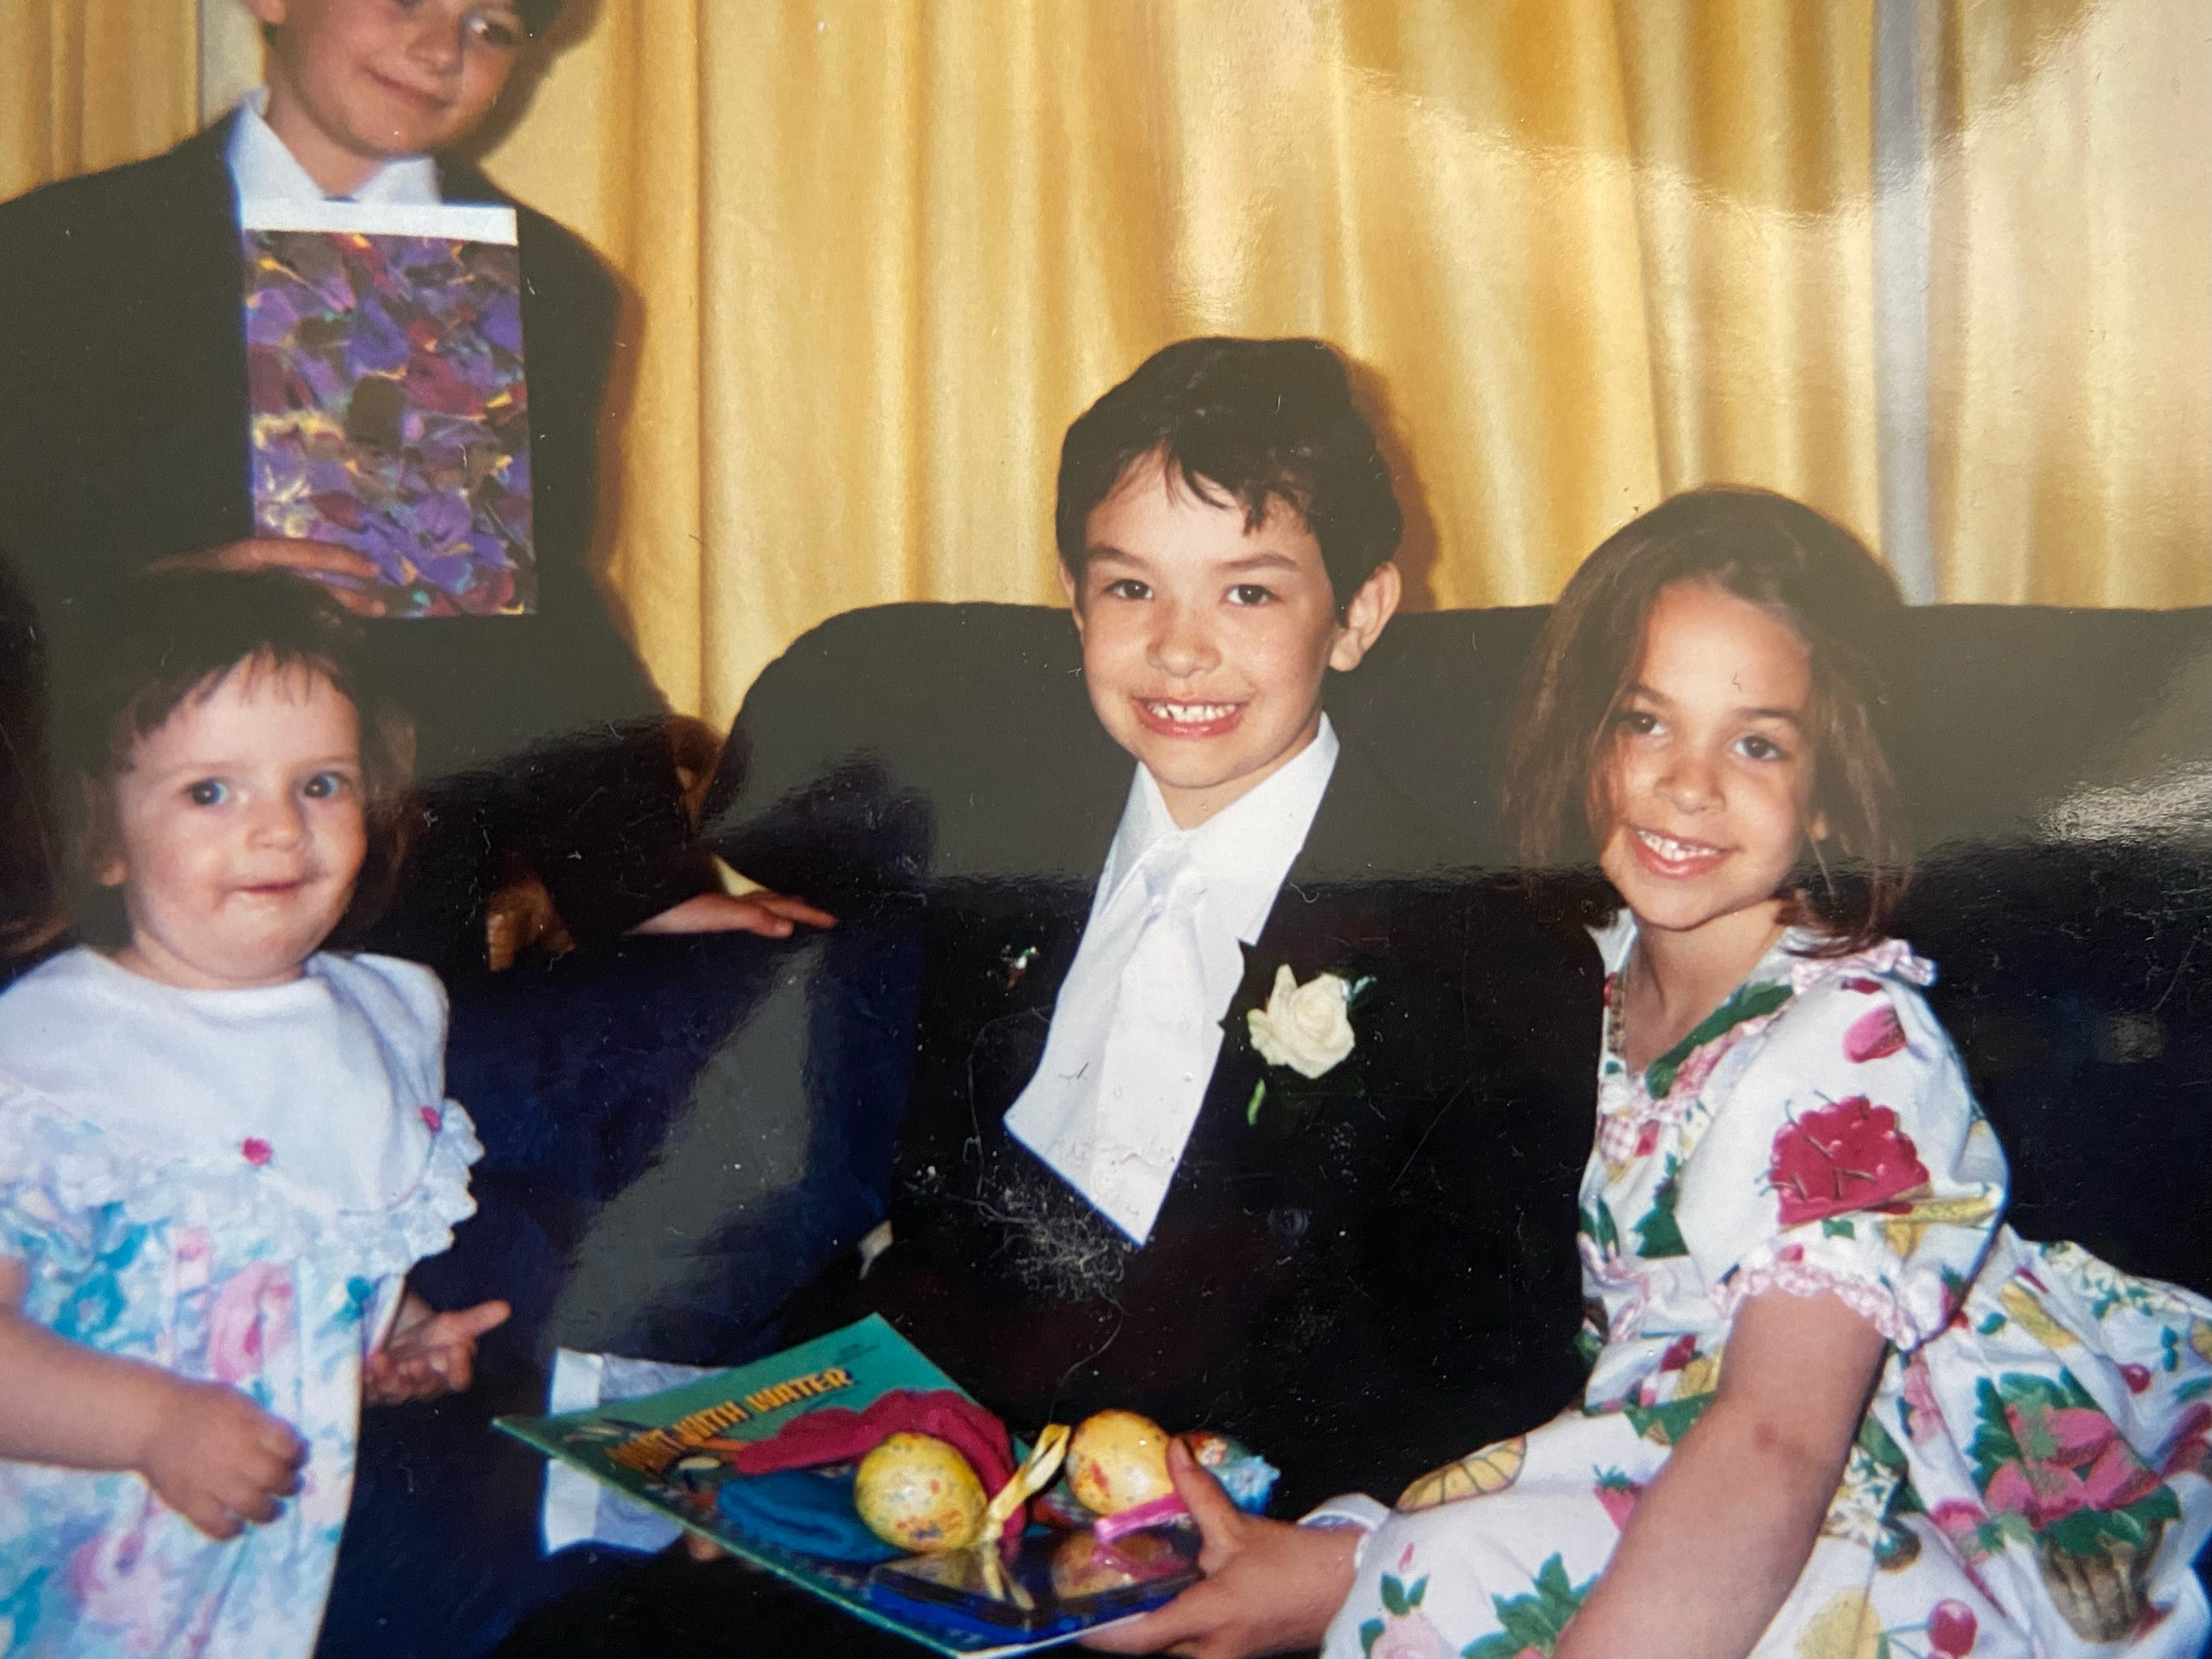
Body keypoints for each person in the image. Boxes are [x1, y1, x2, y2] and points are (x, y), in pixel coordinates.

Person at [496, 337, 1599, 1656]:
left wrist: (1337, 1558)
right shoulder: (1001, 858)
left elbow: (1496, 1361)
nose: (1178, 649)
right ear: (1075, 604)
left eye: (1249, 593)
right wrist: (772, 1459)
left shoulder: (1491, 949)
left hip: (1225, 1554)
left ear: (1358, 615)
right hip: (934, 1500)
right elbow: (929, 1234)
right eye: (1131, 587)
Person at [1110, 487, 2212, 1657]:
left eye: (1757, 743)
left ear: (1831, 792)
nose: (1690, 784)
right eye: (1646, 723)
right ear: (1586, 738)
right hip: (1676, 1434)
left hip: (1878, 1456)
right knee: (1427, 1562)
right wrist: (1347, 1543)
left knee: (1445, 1578)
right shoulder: (1575, 979)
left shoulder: (1849, 1047)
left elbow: (1777, 1443)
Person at [0, 0, 828, 979]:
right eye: (406, 0)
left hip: (398, 890)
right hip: (89, 884)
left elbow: (546, 614)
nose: (441, 51)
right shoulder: (60, 252)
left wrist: (651, 886)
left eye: (491, 27)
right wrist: (164, 590)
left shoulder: (552, 284)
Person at [0, 570, 511, 1656]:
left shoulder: (380, 1014)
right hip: (76, 1576)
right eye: (210, 793)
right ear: (103, 833)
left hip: (286, 1569)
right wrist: (151, 1423)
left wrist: (393, 1331)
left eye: (320, 784)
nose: (281, 830)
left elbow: (311, 1234)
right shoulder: (49, 1053)